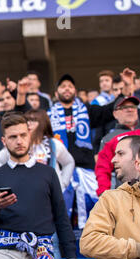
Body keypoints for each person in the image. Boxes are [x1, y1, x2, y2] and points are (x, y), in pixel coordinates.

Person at [0, 113, 78, 259]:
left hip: (43, 251)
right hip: (6, 254)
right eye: (13, 137)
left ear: (29, 135)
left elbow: (61, 217)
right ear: (4, 141)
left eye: (23, 135)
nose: (19, 141)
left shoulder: (48, 174)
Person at [48, 74, 116, 229]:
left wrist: (125, 91)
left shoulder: (86, 109)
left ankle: (88, 248)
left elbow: (107, 111)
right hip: (59, 170)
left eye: (70, 86)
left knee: (91, 209)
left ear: (75, 91)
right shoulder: (48, 114)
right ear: (57, 92)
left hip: (86, 169)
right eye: (63, 86)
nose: (67, 88)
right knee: (61, 212)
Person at [80, 135, 140, 259]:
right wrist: (136, 248)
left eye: (120, 154)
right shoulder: (110, 199)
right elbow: (89, 243)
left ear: (138, 161)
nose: (113, 160)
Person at [0, 109, 75, 192]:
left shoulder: (54, 144)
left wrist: (63, 183)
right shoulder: (19, 144)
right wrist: (7, 181)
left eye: (33, 120)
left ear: (43, 123)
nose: (29, 123)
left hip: (50, 192)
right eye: (27, 120)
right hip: (24, 192)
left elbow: (69, 162)